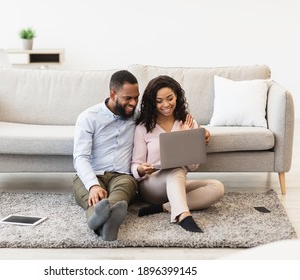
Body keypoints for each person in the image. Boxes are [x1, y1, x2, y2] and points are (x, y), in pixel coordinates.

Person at [131, 75, 224, 233]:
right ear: (152, 102)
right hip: (152, 185)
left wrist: (185, 137)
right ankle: (183, 215)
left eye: (169, 98)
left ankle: (164, 207)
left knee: (217, 187)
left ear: (177, 97)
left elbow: (193, 167)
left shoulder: (187, 123)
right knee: (176, 169)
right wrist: (141, 169)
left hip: (176, 183)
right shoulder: (143, 128)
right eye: (159, 101)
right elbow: (135, 165)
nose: (165, 105)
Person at [73, 70, 140, 241]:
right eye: (127, 98)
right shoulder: (88, 117)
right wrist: (93, 185)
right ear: (112, 94)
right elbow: (80, 157)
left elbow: (169, 116)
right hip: (92, 174)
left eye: (136, 98)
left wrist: (199, 130)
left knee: (122, 193)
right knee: (94, 197)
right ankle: (100, 222)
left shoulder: (136, 114)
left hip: (122, 176)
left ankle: (101, 222)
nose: (133, 103)